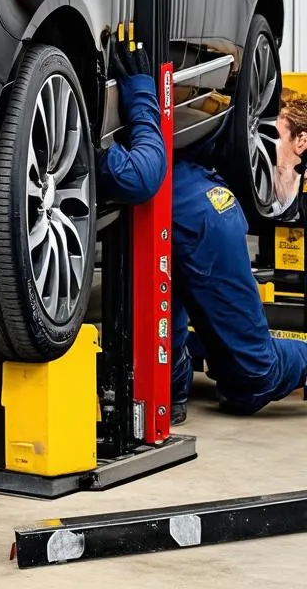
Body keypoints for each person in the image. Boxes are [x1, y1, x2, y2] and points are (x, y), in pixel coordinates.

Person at [98, 33, 307, 422]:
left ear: (301, 142)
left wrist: (142, 95)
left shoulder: (274, 161)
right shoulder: (236, 117)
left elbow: (140, 174)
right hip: (188, 193)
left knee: (254, 376)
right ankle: (172, 383)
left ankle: (179, 379)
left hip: (206, 210)